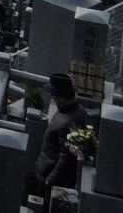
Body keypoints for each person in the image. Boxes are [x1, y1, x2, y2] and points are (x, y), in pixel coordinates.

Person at [34, 73, 90, 204]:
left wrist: (50, 179)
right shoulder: (79, 110)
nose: (52, 97)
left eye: (53, 94)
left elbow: (66, 156)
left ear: (62, 97)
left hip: (50, 174)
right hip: (52, 170)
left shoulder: (66, 122)